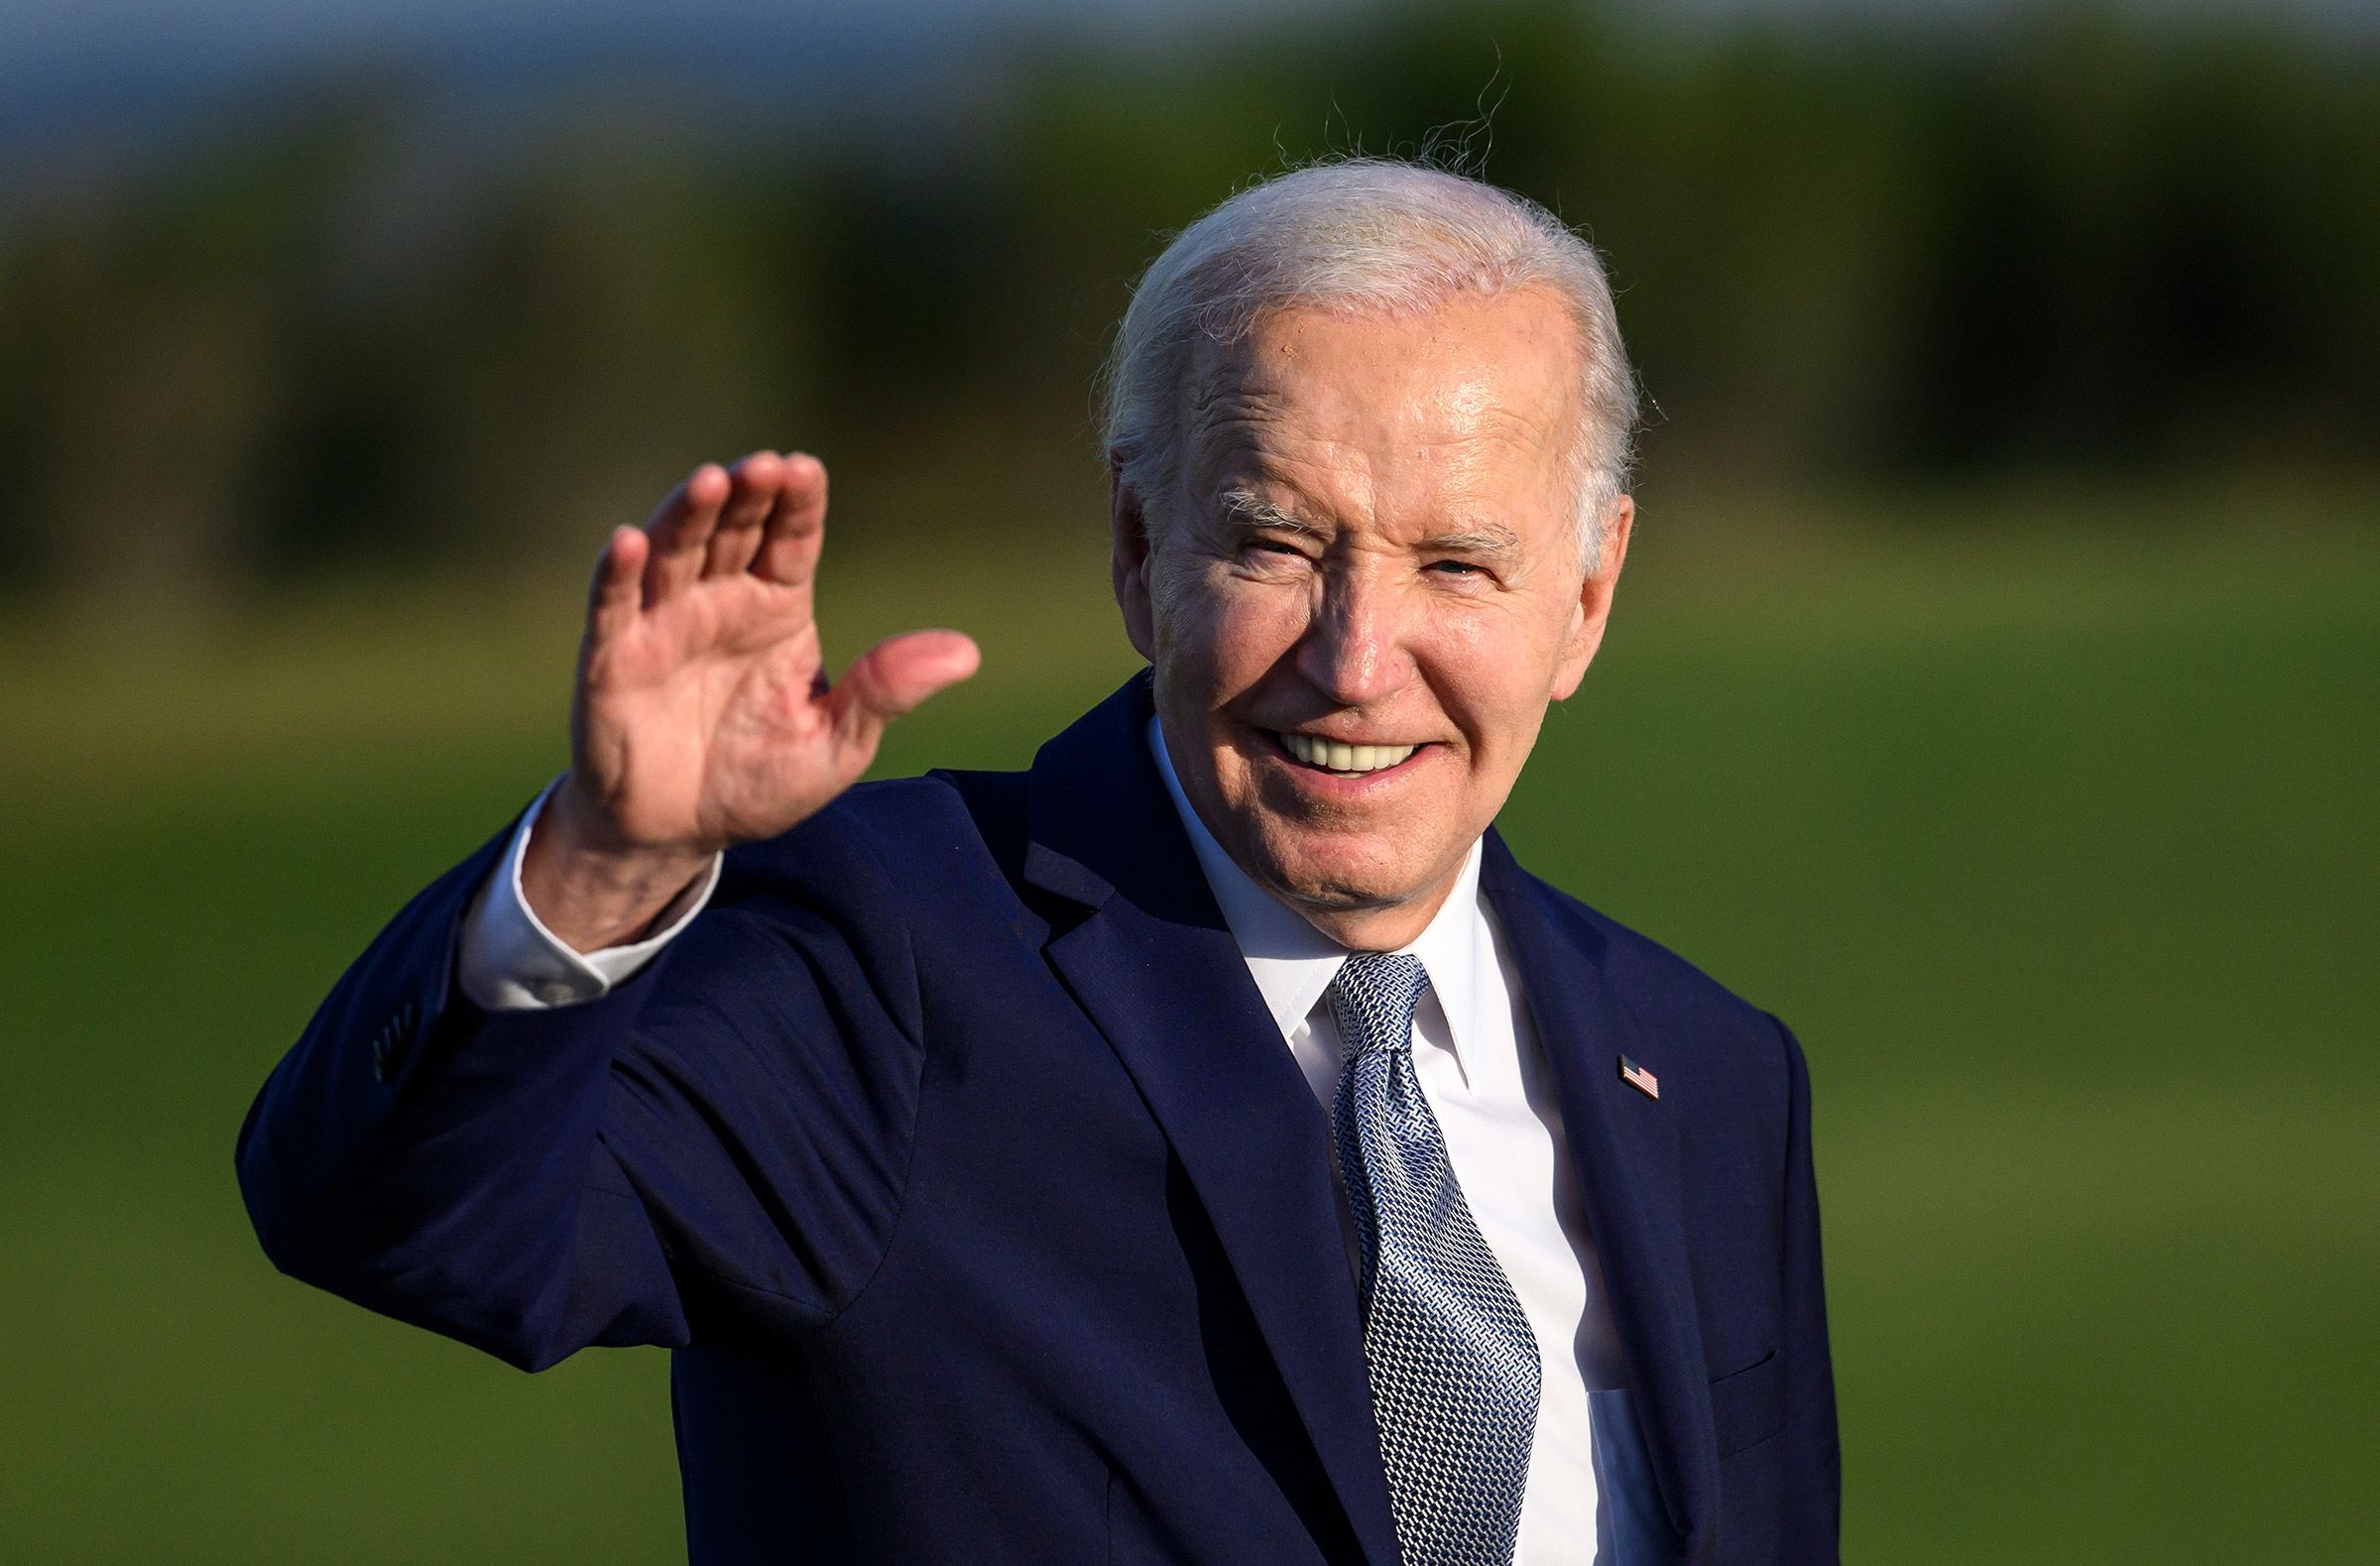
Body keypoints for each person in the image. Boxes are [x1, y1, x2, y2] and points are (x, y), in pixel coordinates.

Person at [237, 160, 1839, 1566]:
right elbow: (405, 1225)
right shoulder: (891, 955)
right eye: (1276, 543)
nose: (1358, 660)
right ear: (1140, 550)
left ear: (1585, 596)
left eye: (1455, 564)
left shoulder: (1708, 1078)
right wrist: (599, 867)